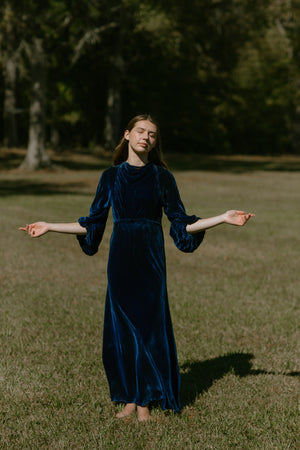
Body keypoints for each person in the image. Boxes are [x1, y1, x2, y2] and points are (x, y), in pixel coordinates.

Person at [20, 114, 254, 422]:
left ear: (156, 142)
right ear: (127, 135)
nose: (146, 137)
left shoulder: (162, 177)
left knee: (149, 327)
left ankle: (145, 401)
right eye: (141, 131)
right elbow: (92, 224)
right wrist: (49, 226)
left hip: (151, 259)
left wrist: (223, 218)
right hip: (120, 259)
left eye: (153, 134)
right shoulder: (111, 177)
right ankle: (130, 398)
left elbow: (182, 223)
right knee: (123, 329)